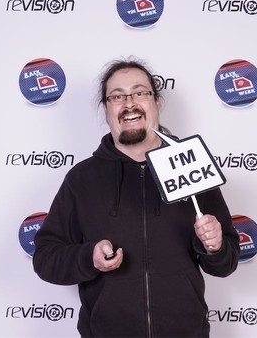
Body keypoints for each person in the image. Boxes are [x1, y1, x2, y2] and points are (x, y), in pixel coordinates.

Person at [33, 58, 239, 337]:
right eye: (117, 96)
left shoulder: (192, 165)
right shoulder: (82, 179)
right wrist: (88, 257)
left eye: (140, 92)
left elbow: (226, 264)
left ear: (156, 102)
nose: (129, 103)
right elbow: (45, 258)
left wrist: (215, 247)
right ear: (106, 109)